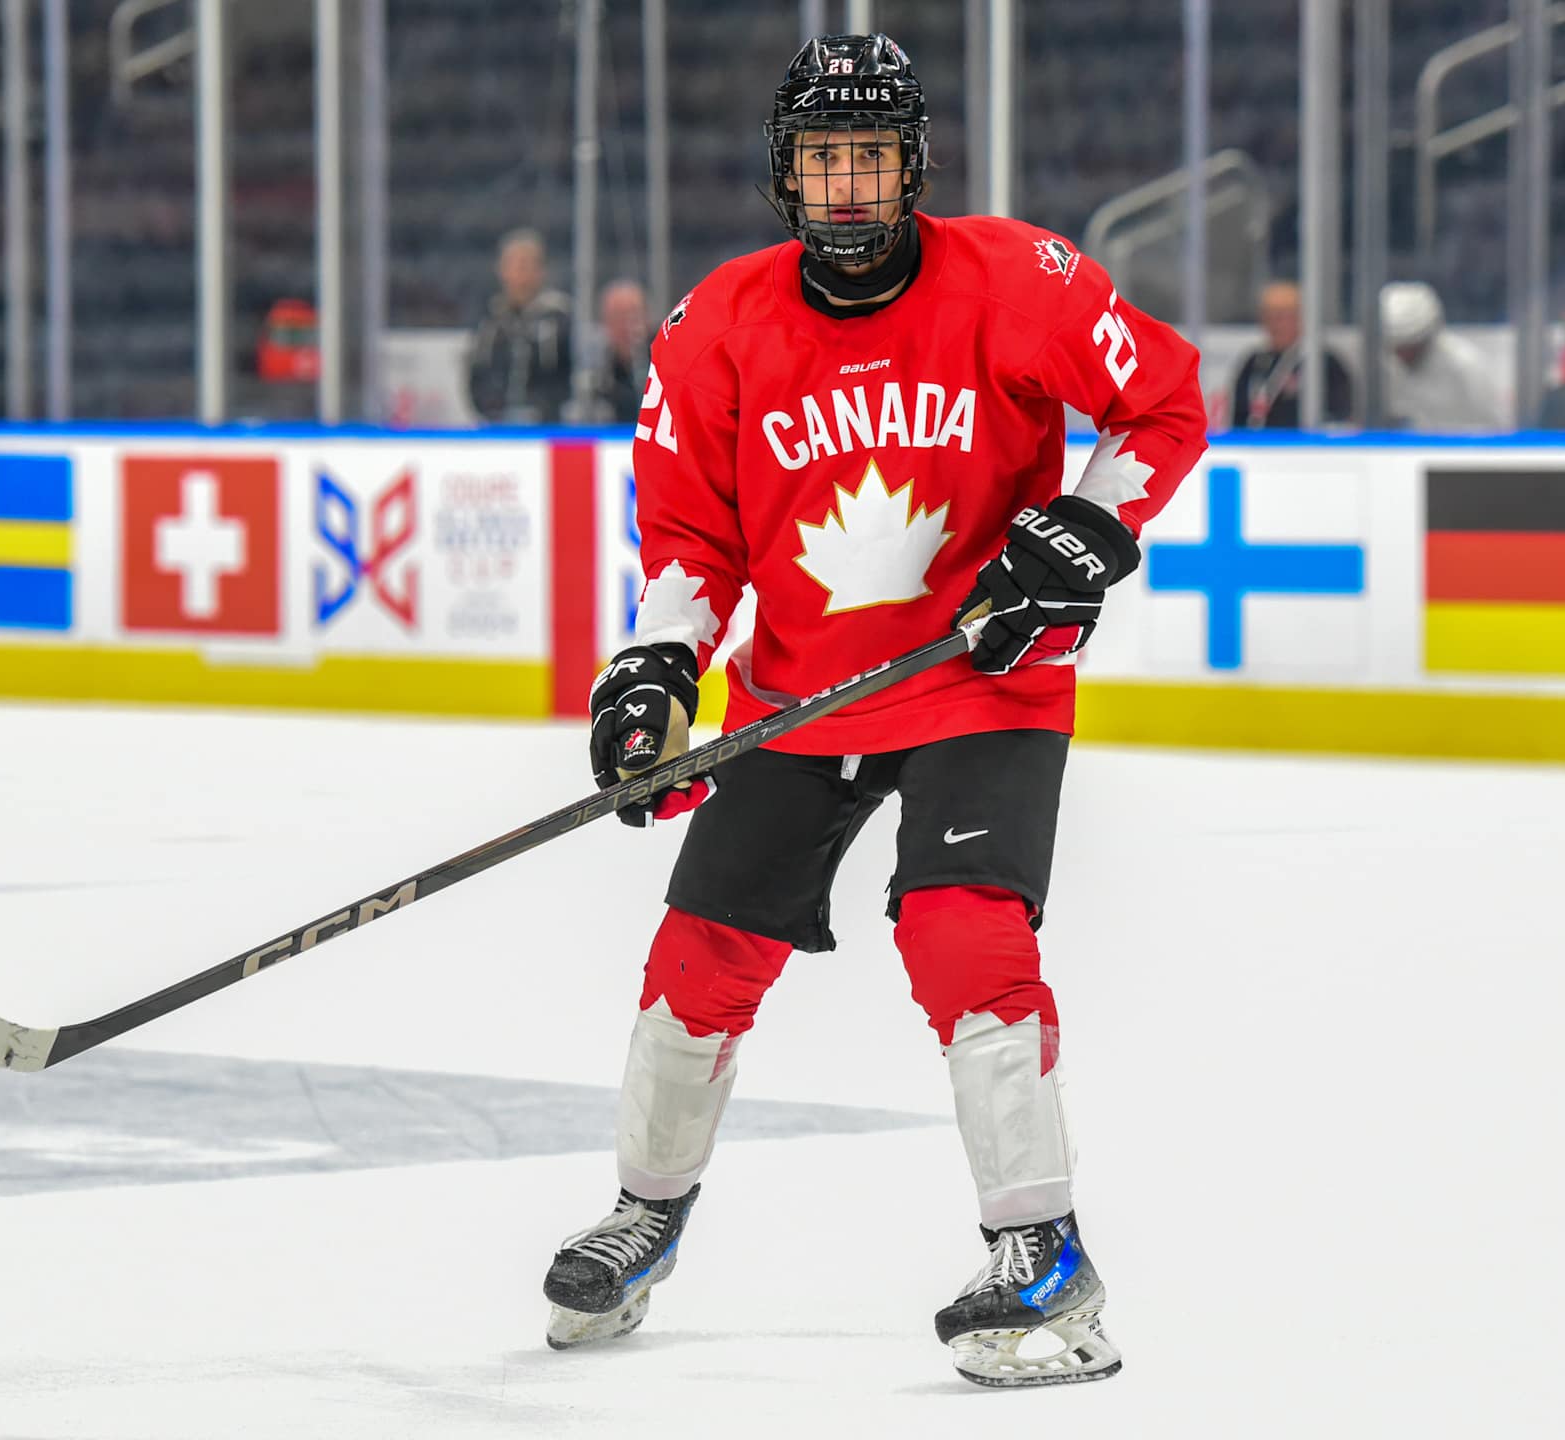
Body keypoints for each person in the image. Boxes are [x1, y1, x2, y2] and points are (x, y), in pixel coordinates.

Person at [543, 33, 1208, 1387]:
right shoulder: (715, 323)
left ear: (917, 168)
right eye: (823, 159)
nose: (848, 187)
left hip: (979, 677)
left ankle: (1046, 1255)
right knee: (696, 963)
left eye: (872, 158)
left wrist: (1086, 523)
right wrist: (657, 670)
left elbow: (1163, 403)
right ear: (785, 174)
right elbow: (687, 538)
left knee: (963, 938)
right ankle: (645, 1217)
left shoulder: (1018, 278)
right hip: (799, 695)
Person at [466, 228, 573, 424]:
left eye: (526, 265)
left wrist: (543, 409)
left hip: (547, 428)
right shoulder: (490, 322)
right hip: (498, 428)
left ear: (541, 271)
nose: (520, 274)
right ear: (501, 270)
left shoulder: (560, 319)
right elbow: (477, 375)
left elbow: (569, 376)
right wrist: (492, 408)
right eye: (514, 265)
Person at [1228, 279, 1353, 427]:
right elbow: (1238, 418)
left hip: (1303, 448)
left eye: (1281, 316)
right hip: (1256, 447)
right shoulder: (1254, 362)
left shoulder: (1324, 363)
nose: (1274, 324)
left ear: (1301, 317)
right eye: (1268, 316)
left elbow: (1339, 418)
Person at [1380, 281, 1503, 431]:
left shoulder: (1466, 365)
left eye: (1411, 345)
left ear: (1429, 336)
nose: (1402, 355)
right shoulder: (1385, 368)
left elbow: (1494, 428)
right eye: (1397, 347)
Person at [589, 279, 650, 424]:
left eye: (634, 316)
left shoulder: (663, 367)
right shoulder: (595, 373)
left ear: (648, 318)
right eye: (618, 316)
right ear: (604, 322)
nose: (626, 325)